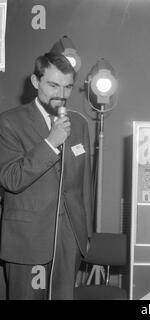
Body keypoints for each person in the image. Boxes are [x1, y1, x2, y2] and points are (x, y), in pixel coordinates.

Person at [0, 52, 93, 299]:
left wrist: (85, 234)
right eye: (53, 85)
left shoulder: (79, 124)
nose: (61, 94)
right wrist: (50, 143)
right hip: (28, 240)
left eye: (67, 86)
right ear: (35, 82)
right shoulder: (9, 123)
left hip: (68, 241)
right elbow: (11, 178)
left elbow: (84, 186)